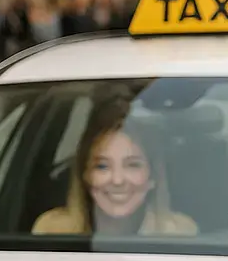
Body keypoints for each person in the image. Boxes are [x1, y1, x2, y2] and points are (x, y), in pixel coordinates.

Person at [33, 97, 197, 237]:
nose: (117, 180)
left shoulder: (178, 233)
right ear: (85, 175)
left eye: (132, 165)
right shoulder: (52, 229)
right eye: (102, 166)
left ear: (152, 177)